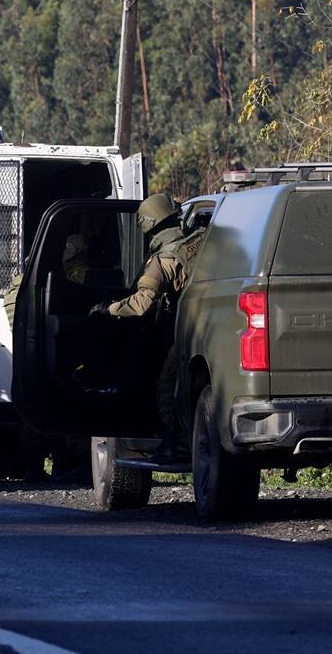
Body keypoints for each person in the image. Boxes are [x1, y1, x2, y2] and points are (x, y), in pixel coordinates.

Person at [89, 193, 205, 463]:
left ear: (148, 225)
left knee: (167, 383)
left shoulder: (161, 261)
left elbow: (141, 304)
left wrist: (109, 310)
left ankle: (171, 443)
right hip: (214, 326)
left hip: (186, 331)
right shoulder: (201, 240)